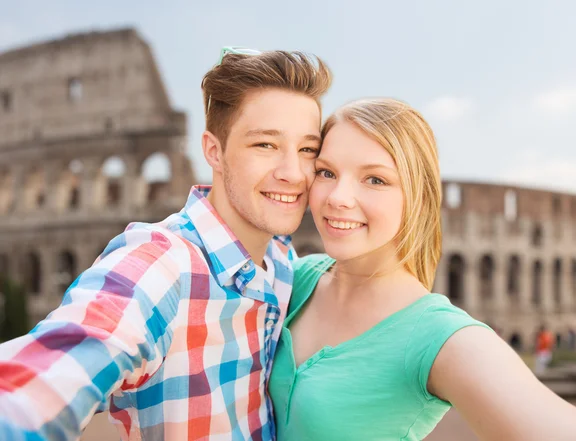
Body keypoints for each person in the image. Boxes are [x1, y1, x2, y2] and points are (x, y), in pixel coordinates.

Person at [0, 47, 331, 441]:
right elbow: (49, 374)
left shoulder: (282, 261)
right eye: (265, 145)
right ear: (214, 151)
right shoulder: (162, 265)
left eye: (307, 149)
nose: (294, 173)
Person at [268, 98, 576, 440]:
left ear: (419, 198)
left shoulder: (439, 337)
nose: (338, 197)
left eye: (375, 179)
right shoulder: (292, 277)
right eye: (326, 172)